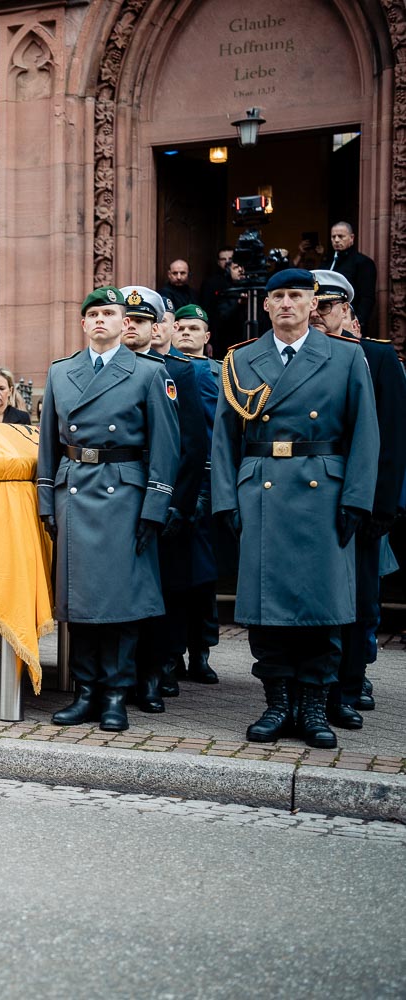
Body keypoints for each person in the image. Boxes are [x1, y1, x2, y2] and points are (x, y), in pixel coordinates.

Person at [212, 269, 380, 750]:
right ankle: (277, 704)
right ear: (267, 306)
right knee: (269, 613)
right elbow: (223, 439)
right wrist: (226, 498)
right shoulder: (242, 360)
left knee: (322, 610)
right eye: (278, 296)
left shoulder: (345, 357)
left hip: (323, 495)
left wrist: (356, 499)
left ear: (312, 304)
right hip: (261, 493)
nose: (287, 304)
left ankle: (312, 709)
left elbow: (365, 435)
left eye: (296, 296)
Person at [37, 286, 180, 733]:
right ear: (83, 324)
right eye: (93, 314)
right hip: (75, 489)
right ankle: (85, 691)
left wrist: (156, 505)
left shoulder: (147, 372)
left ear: (126, 323)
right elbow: (48, 446)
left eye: (109, 314)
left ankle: (116, 694)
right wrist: (46, 498)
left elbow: (167, 447)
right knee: (79, 602)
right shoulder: (61, 373)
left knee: (120, 602)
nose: (100, 320)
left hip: (125, 492)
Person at [310, 269, 406, 728]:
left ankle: (347, 687)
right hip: (310, 500)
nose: (317, 314)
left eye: (326, 306)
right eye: (313, 306)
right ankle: (312, 687)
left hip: (360, 501)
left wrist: (382, 507)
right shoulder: (295, 359)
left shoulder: (377, 359)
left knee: (359, 600)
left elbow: (390, 441)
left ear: (346, 310)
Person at [120, 285, 208, 709]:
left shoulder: (179, 370)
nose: (131, 326)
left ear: (155, 327)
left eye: (140, 320)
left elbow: (192, 446)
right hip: (118, 498)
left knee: (165, 592)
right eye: (127, 318)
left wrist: (178, 504)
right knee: (124, 589)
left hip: (165, 499)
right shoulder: (101, 368)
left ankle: (156, 672)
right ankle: (120, 673)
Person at [171, 304, 223, 685]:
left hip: (211, 481)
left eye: (195, 328)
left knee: (204, 576)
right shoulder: (164, 371)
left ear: (208, 337)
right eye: (181, 327)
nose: (187, 333)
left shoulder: (224, 373)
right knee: (174, 573)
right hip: (176, 479)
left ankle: (201, 652)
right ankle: (172, 654)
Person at [327, 222, 378, 336]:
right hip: (328, 321)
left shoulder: (363, 263)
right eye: (333, 236)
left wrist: (357, 322)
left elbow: (367, 298)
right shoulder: (328, 263)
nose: (336, 240)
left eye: (341, 236)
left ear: (351, 238)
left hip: (349, 323)